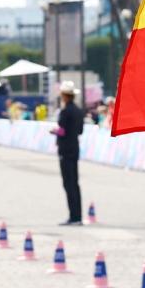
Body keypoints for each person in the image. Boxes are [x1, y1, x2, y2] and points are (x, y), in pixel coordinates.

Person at [54, 82, 85, 225]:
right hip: (75, 148)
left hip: (65, 149)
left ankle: (73, 216)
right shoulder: (79, 111)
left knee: (68, 183)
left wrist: (54, 131)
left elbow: (62, 130)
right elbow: (80, 131)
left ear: (65, 96)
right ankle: (77, 215)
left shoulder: (65, 112)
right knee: (75, 183)